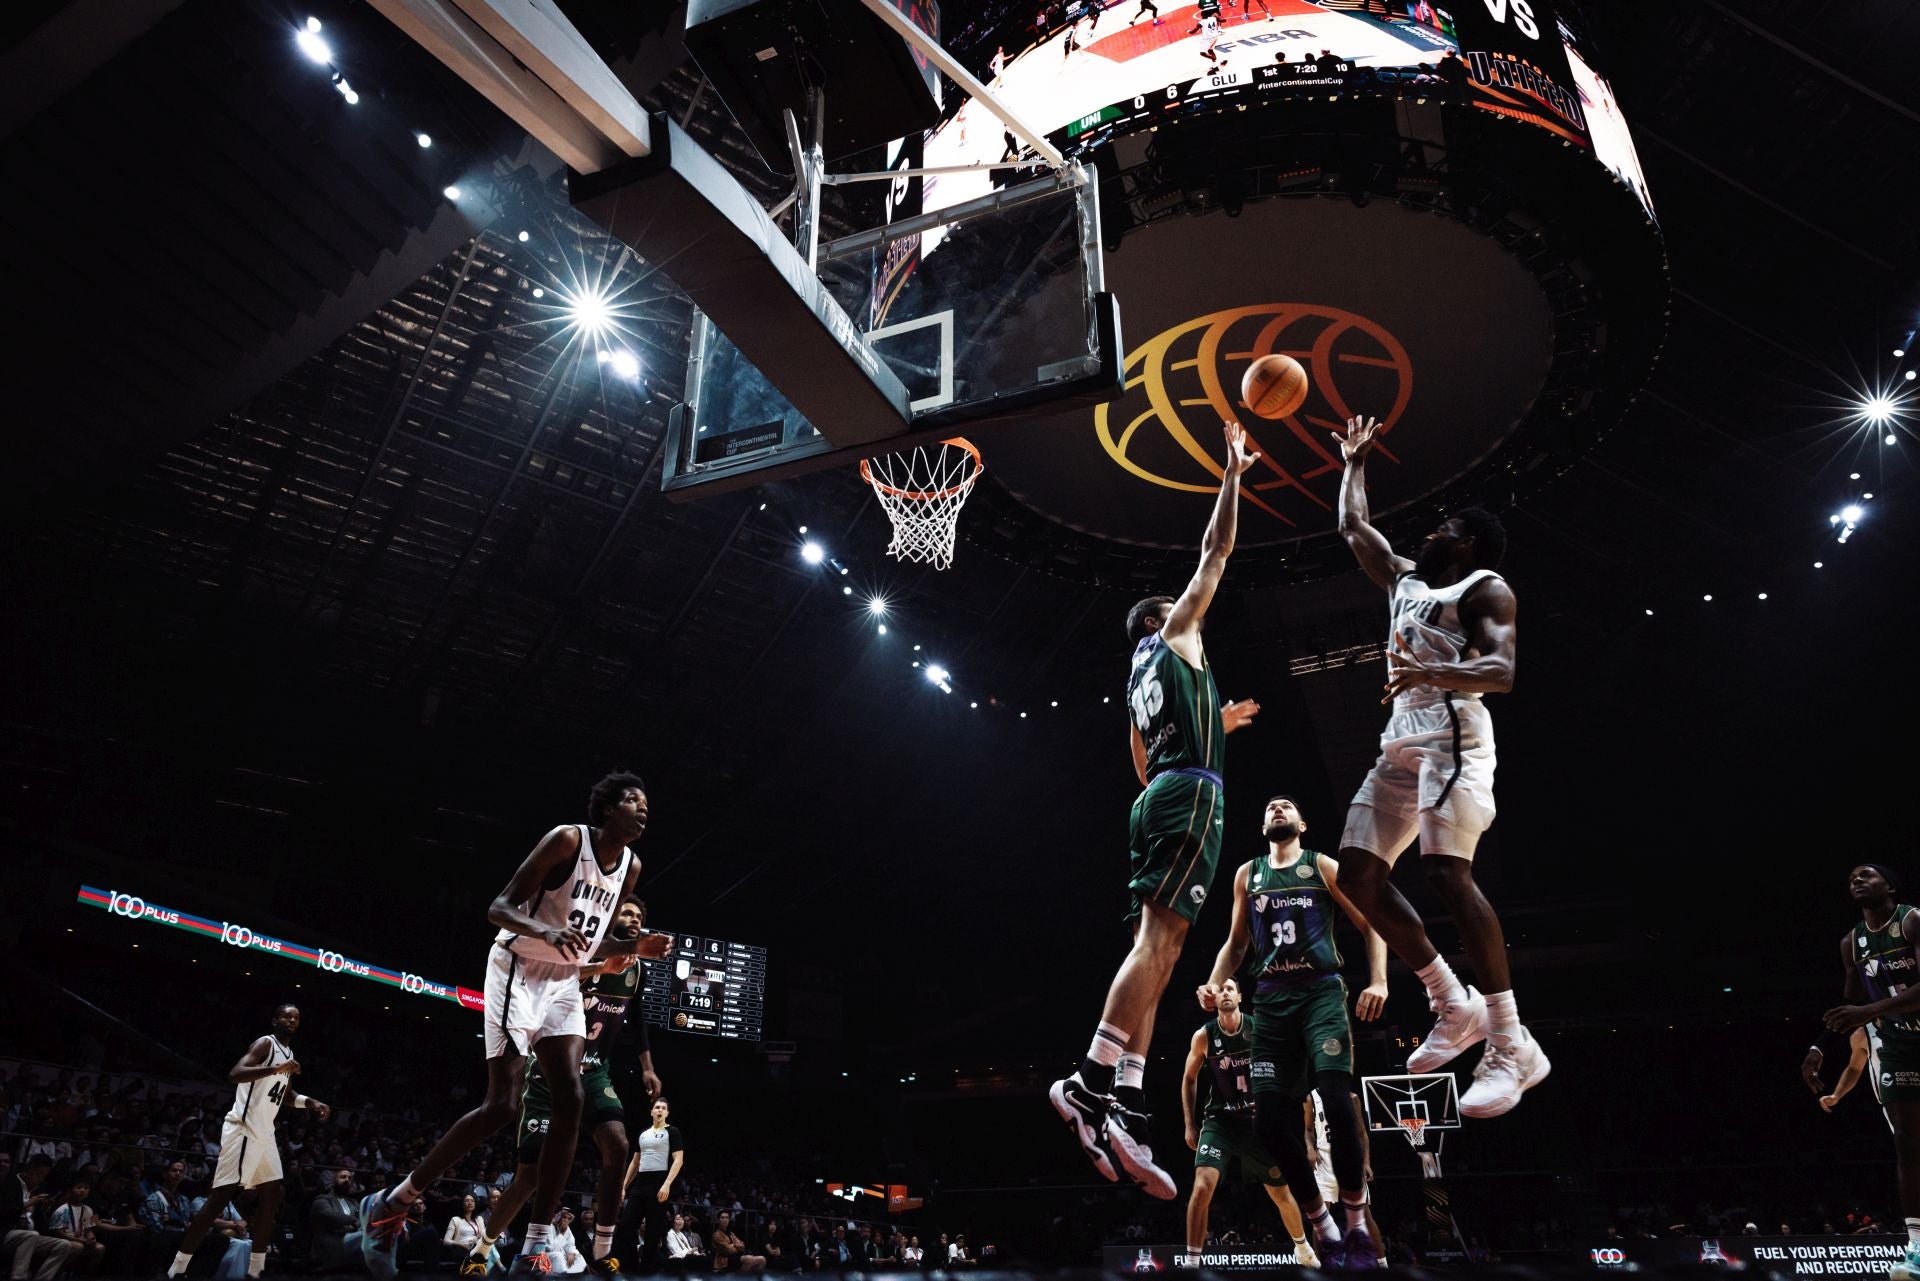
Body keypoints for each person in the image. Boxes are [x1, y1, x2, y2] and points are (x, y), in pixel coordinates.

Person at [1050, 422, 1262, 1200]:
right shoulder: (1175, 633)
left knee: (1163, 953)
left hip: (1159, 796)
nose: (1189, 609)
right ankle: (1088, 1081)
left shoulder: (1140, 676)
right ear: (1161, 616)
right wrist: (1232, 474)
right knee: (1157, 952)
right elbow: (1216, 554)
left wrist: (1215, 725)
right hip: (1189, 797)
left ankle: (1126, 1101)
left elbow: (1140, 760)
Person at [354, 772, 674, 1279]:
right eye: (634, 799)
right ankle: (395, 1202)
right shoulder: (568, 839)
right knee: (501, 1105)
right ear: (608, 808)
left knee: (571, 1095)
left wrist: (636, 947)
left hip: (565, 980)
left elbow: (592, 946)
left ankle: (534, 1244)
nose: (644, 809)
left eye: (647, 803)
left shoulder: (630, 868)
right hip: (517, 970)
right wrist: (547, 930)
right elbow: (498, 909)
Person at [1326, 414, 1545, 1118]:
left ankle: (1511, 1042)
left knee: (1447, 872)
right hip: (1400, 743)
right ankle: (1453, 1001)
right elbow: (1356, 530)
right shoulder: (1405, 583)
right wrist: (1354, 463)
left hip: (1456, 740)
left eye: (1445, 526)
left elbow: (1502, 671)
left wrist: (1430, 665)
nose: (1429, 532)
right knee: (1357, 874)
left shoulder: (1484, 586)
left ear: (1470, 542)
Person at [1199, 794, 1388, 1266]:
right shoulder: (1249, 874)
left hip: (1320, 993)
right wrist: (1214, 979)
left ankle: (1357, 1224)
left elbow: (1373, 924)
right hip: (1271, 1000)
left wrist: (1379, 980)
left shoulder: (1320, 866)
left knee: (1339, 1108)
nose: (1277, 810)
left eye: (1287, 807)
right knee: (1267, 1124)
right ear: (1263, 824)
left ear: (1302, 823)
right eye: (1269, 807)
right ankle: (1322, 1224)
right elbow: (1236, 943)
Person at [479, 898, 661, 1275]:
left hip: (594, 1071)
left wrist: (647, 1067)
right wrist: (598, 966)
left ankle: (602, 1250)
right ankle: (483, 1247)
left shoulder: (636, 968)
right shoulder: (579, 948)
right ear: (610, 917)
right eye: (626, 912)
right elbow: (546, 979)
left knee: (619, 1144)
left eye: (639, 916)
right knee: (529, 1176)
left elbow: (638, 1017)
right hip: (549, 1073)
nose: (633, 919)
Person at [167, 1003, 328, 1281]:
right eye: (286, 1016)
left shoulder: (289, 1054)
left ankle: (256, 1270)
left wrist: (311, 1102)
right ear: (275, 1019)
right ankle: (178, 1267)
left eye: (296, 1017)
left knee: (272, 1197)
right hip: (243, 1129)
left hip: (265, 1134)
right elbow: (236, 1074)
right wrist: (278, 1067)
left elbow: (286, 1095)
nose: (291, 1020)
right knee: (218, 1200)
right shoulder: (266, 1044)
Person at [1818, 865, 1920, 1281]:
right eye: (1851, 879)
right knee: (1909, 1146)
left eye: (1868, 875)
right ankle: (1917, 1247)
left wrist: (1870, 1011)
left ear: (1890, 886)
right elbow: (1849, 1007)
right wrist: (1818, 1046)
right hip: (1897, 1046)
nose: (1857, 880)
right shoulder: (1852, 943)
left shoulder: (1913, 921)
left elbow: (1865, 1008)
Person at [1179, 978, 1317, 1266]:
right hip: (1221, 1122)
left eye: (1230, 988)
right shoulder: (1204, 1036)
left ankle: (1302, 1248)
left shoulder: (1259, 1029)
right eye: (1220, 990)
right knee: (1203, 1185)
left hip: (1258, 1123)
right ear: (1213, 1000)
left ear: (1240, 996)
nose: (1225, 993)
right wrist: (1190, 1124)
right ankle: (1192, 1262)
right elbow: (1189, 1078)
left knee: (1280, 1192)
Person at [613, 1097, 683, 1270]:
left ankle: (646, 1270)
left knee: (653, 1232)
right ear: (651, 1111)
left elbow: (678, 1160)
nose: (659, 1110)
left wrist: (667, 1184)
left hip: (659, 1183)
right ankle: (630, 1265)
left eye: (663, 1108)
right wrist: (623, 1186)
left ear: (667, 1113)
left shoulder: (672, 1131)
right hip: (640, 1184)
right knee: (627, 1225)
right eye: (657, 1107)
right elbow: (635, 1163)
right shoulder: (643, 1133)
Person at [4, 1155, 79, 1281]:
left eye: (44, 1176)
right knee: (31, 1235)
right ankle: (18, 1278)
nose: (40, 1179)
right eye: (38, 1175)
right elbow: (3, 1211)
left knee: (64, 1245)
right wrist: (26, 1204)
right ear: (29, 1170)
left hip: (31, 1235)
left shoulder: (38, 1190)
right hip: (8, 1232)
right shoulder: (10, 1183)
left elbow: (39, 1221)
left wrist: (47, 1211)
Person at [309, 1169, 360, 1273]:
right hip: (328, 1249)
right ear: (333, 1181)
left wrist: (354, 1226)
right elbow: (332, 1216)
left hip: (351, 1250)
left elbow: (363, 1219)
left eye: (350, 1178)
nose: (347, 1180)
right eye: (343, 1177)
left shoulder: (354, 1202)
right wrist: (354, 1221)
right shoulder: (322, 1199)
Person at [444, 1193, 486, 1271]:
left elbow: (483, 1236)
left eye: (472, 1201)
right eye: (467, 1201)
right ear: (462, 1204)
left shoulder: (479, 1219)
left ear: (475, 1204)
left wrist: (476, 1239)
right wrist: (460, 1244)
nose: (470, 1203)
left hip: (476, 1246)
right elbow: (446, 1241)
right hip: (461, 1249)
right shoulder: (455, 1219)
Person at [550, 1209, 585, 1275]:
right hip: (548, 1255)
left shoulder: (567, 1228)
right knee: (558, 1255)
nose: (565, 1220)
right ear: (558, 1217)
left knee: (578, 1256)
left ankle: (577, 1277)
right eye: (564, 1217)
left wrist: (572, 1253)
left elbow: (570, 1245)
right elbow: (550, 1247)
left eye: (568, 1218)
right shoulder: (550, 1226)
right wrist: (561, 1233)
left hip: (562, 1255)